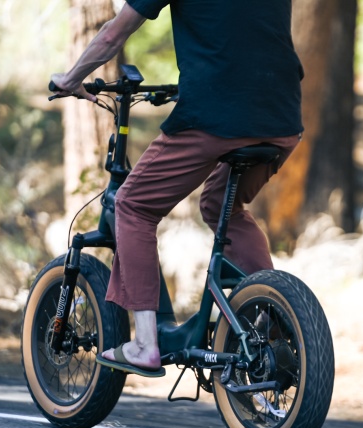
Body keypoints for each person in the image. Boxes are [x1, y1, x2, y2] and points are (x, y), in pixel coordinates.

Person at [51, 0, 303, 377]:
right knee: (222, 207)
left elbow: (114, 33)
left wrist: (71, 79)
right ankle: (274, 318)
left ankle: (144, 345)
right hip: (282, 116)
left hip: (216, 114)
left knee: (132, 205)